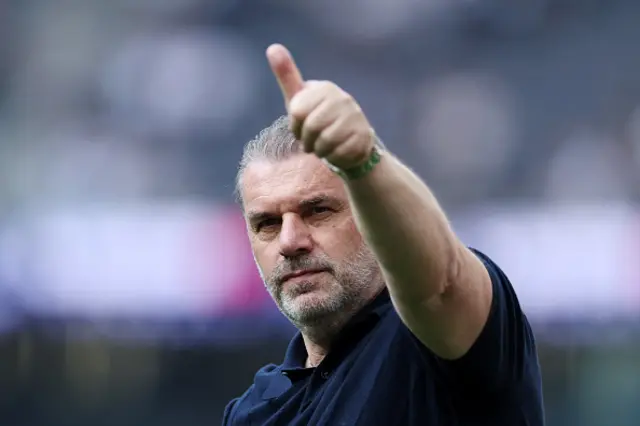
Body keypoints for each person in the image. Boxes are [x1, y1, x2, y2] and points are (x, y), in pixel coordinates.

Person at [222, 44, 545, 426]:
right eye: (267, 224)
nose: (290, 241)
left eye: (319, 211)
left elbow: (440, 284)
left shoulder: (435, 341)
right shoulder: (253, 411)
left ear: (372, 219)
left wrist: (363, 163)